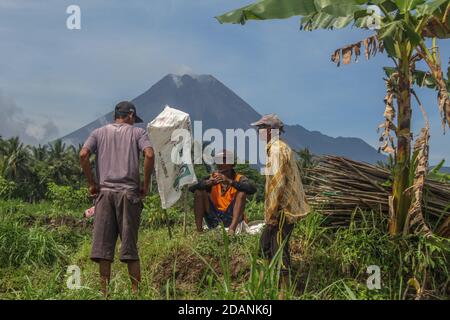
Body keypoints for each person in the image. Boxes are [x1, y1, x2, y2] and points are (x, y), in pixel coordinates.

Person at [79, 101, 154, 297]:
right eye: (134, 119)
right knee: (130, 247)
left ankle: (105, 294)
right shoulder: (138, 133)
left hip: (104, 195)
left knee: (104, 250)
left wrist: (91, 183)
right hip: (129, 194)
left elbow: (83, 154)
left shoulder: (98, 133)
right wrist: (145, 184)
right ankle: (136, 294)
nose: (134, 123)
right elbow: (149, 154)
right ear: (130, 115)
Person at [251, 114, 310, 296]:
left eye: (260, 129)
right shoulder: (281, 147)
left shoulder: (276, 150)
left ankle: (284, 293)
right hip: (284, 209)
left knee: (278, 251)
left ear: (270, 131)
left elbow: (276, 185)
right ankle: (262, 289)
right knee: (265, 247)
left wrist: (272, 214)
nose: (258, 132)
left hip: (281, 210)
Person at [189, 150, 257, 235]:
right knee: (199, 192)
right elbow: (192, 189)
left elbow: (252, 189)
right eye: (219, 161)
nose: (221, 164)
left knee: (241, 193)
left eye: (225, 160)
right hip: (214, 216)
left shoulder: (239, 178)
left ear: (232, 164)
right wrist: (208, 183)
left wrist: (230, 181)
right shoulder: (212, 178)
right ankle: (199, 231)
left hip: (231, 217)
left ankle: (231, 230)